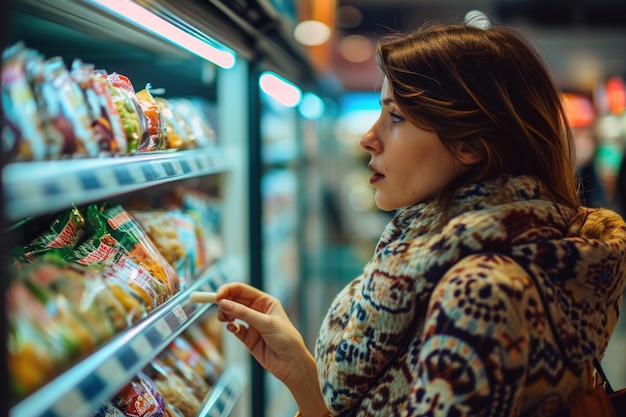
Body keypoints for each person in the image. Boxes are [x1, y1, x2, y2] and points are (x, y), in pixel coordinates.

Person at [213, 20, 626, 417]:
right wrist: (304, 377)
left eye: (396, 117)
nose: (368, 137)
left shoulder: (481, 296)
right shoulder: (485, 258)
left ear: (469, 146)